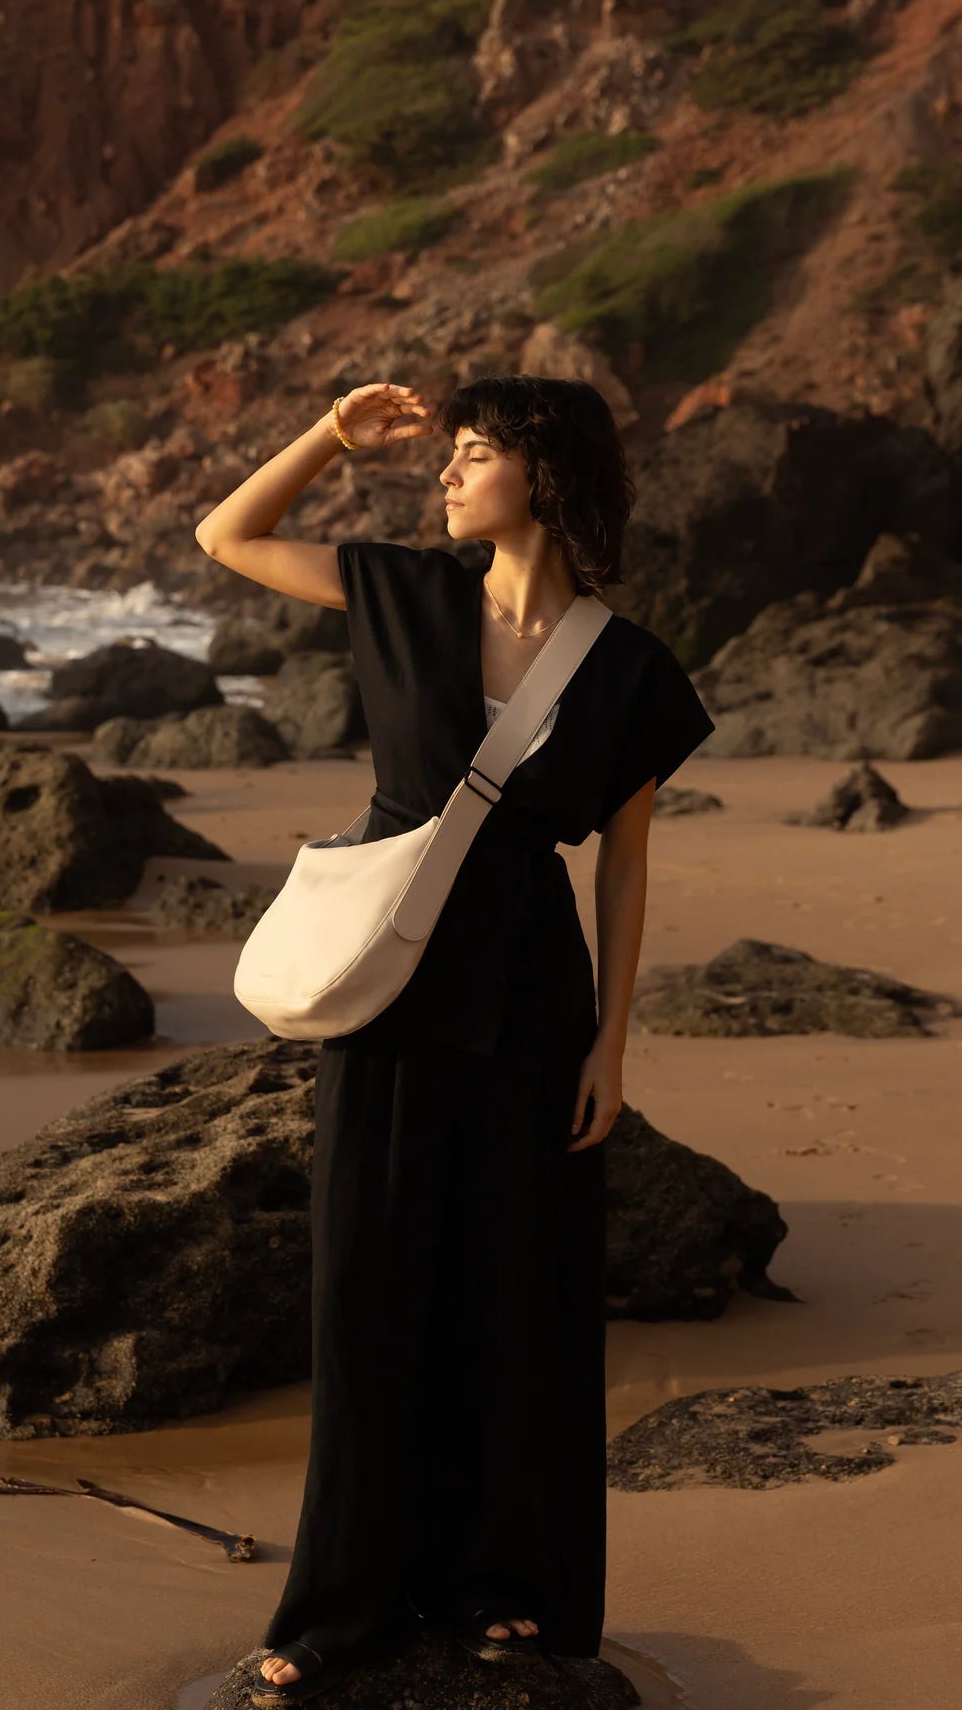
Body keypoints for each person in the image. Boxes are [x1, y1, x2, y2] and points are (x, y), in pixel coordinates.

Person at [194, 375, 716, 1705]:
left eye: (474, 455)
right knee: (366, 1289)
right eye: (454, 454)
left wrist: (614, 1044)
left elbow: (626, 868)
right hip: (390, 991)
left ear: (541, 475)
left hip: (534, 1003)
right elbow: (227, 538)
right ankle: (340, 1610)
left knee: (513, 1298)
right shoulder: (403, 593)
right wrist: (325, 433)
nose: (448, 473)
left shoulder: (631, 667)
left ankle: (508, 1598)